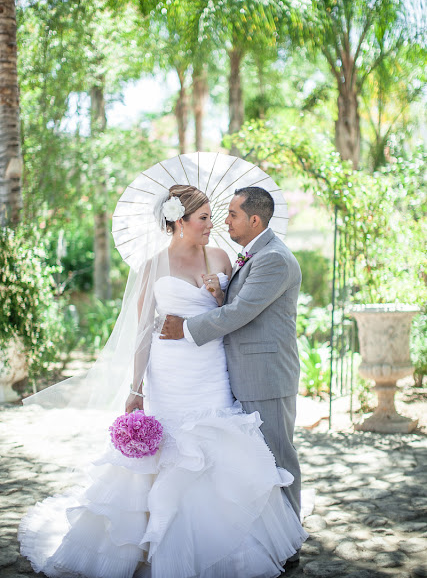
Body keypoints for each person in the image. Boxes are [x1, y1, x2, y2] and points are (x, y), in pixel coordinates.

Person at [19, 184, 307, 578]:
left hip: (213, 371)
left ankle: (230, 541)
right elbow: (142, 331)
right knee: (171, 453)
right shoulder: (153, 266)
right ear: (179, 221)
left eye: (218, 216)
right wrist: (135, 388)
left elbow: (233, 314)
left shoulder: (222, 258)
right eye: (204, 218)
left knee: (218, 448)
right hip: (169, 372)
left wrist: (216, 294)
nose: (213, 224)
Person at [161, 186, 303, 566]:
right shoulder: (254, 255)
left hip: (266, 377)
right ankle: (266, 538)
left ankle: (289, 544)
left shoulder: (273, 259)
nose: (225, 222)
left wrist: (185, 329)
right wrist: (219, 296)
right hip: (240, 374)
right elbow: (241, 306)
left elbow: (241, 314)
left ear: (254, 219)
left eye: (232, 214)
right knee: (255, 463)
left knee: (277, 460)